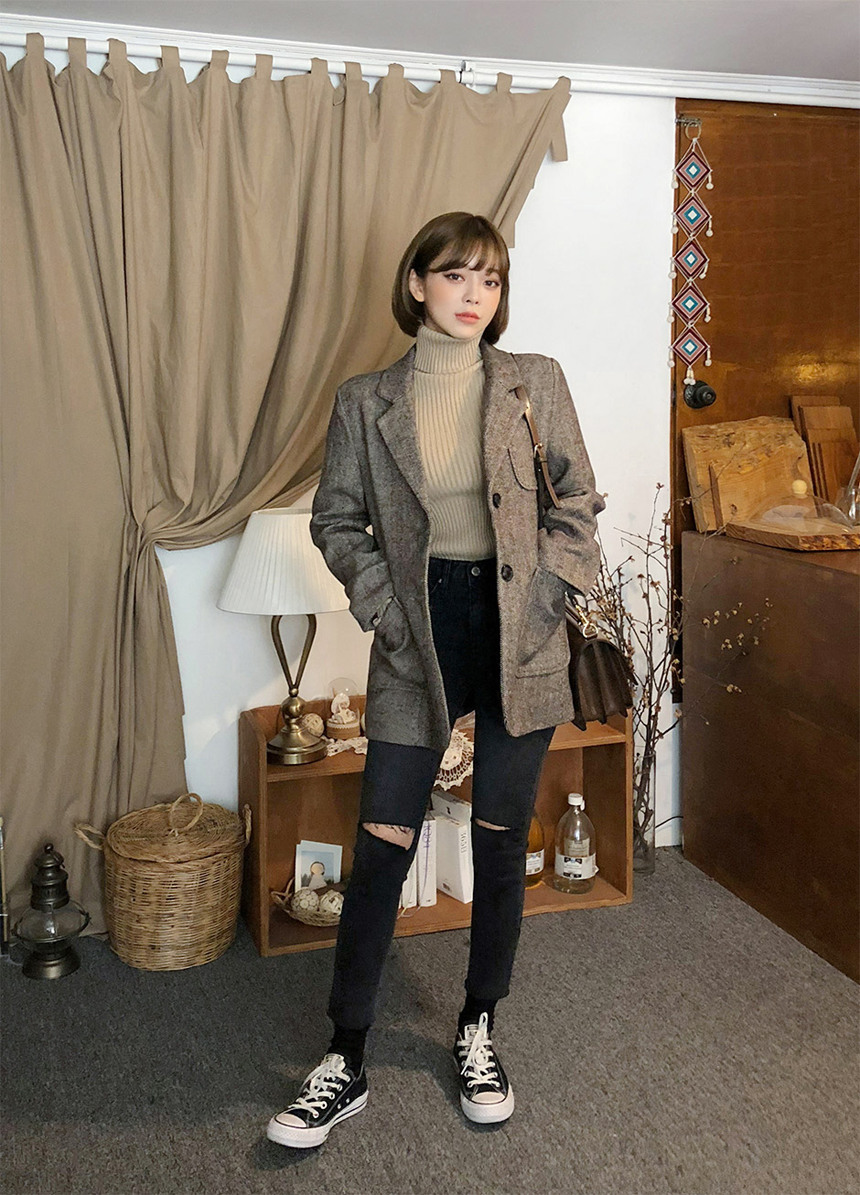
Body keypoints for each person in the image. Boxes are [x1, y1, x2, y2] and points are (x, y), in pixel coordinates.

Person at [266, 212, 605, 1149]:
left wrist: (546, 597)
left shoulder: (535, 382)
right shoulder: (364, 401)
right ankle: (345, 1054)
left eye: (490, 279)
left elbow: (577, 499)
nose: (473, 295)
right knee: (383, 843)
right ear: (417, 282)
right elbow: (337, 520)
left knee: (500, 841)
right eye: (456, 274)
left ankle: (478, 1026)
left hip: (519, 626)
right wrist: (384, 608)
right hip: (418, 629)